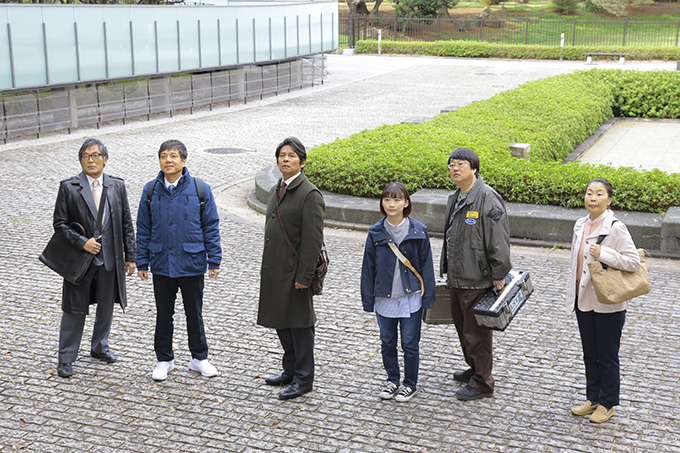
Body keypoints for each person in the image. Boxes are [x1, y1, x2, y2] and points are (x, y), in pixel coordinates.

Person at [136, 139, 222, 381]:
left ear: (184, 161)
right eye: (164, 156)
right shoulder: (150, 190)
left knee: (194, 313)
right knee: (164, 314)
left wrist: (214, 260)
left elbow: (211, 225)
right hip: (161, 262)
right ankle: (164, 360)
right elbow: (143, 227)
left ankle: (199, 358)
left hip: (191, 262)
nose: (168, 160)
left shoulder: (200, 189)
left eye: (173, 156)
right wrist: (142, 261)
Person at [53, 138, 136, 378]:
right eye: (86, 156)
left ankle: (100, 347)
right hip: (80, 261)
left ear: (105, 159)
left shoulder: (117, 186)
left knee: (106, 307)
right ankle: (66, 358)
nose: (91, 160)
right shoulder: (69, 187)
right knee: (74, 309)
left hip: (110, 260)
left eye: (96, 155)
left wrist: (131, 256)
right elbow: (59, 224)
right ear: (81, 160)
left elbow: (126, 223)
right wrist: (82, 242)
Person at [566, 178, 640, 423]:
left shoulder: (616, 227)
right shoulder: (580, 224)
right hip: (583, 298)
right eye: (589, 193)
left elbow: (633, 262)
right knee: (590, 353)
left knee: (607, 355)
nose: (593, 198)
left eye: (599, 194)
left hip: (608, 300)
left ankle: (608, 403)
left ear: (609, 200)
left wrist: (604, 254)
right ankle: (593, 398)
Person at [440, 148, 512, 401]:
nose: (454, 168)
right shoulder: (457, 197)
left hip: (477, 278)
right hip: (458, 276)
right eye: (451, 164)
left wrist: (499, 273)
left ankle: (483, 382)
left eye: (461, 164)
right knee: (463, 329)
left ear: (474, 168)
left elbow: (498, 239)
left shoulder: (487, 197)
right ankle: (475, 369)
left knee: (477, 333)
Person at [258, 137, 325, 400]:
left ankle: (304, 378)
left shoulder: (309, 194)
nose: (286, 159)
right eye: (282, 155)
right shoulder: (279, 187)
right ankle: (290, 370)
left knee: (300, 325)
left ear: (302, 162)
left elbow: (312, 240)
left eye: (292, 155)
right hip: (276, 269)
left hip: (295, 272)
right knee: (282, 322)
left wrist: (305, 276)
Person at [360, 182, 436, 402]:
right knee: (387, 342)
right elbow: (368, 268)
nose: (391, 204)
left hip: (411, 296)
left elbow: (426, 266)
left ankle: (409, 384)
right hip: (384, 297)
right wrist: (367, 299)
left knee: (410, 343)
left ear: (406, 203)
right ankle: (392, 380)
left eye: (396, 199)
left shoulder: (418, 230)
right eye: (387, 199)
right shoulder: (375, 232)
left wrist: (428, 298)